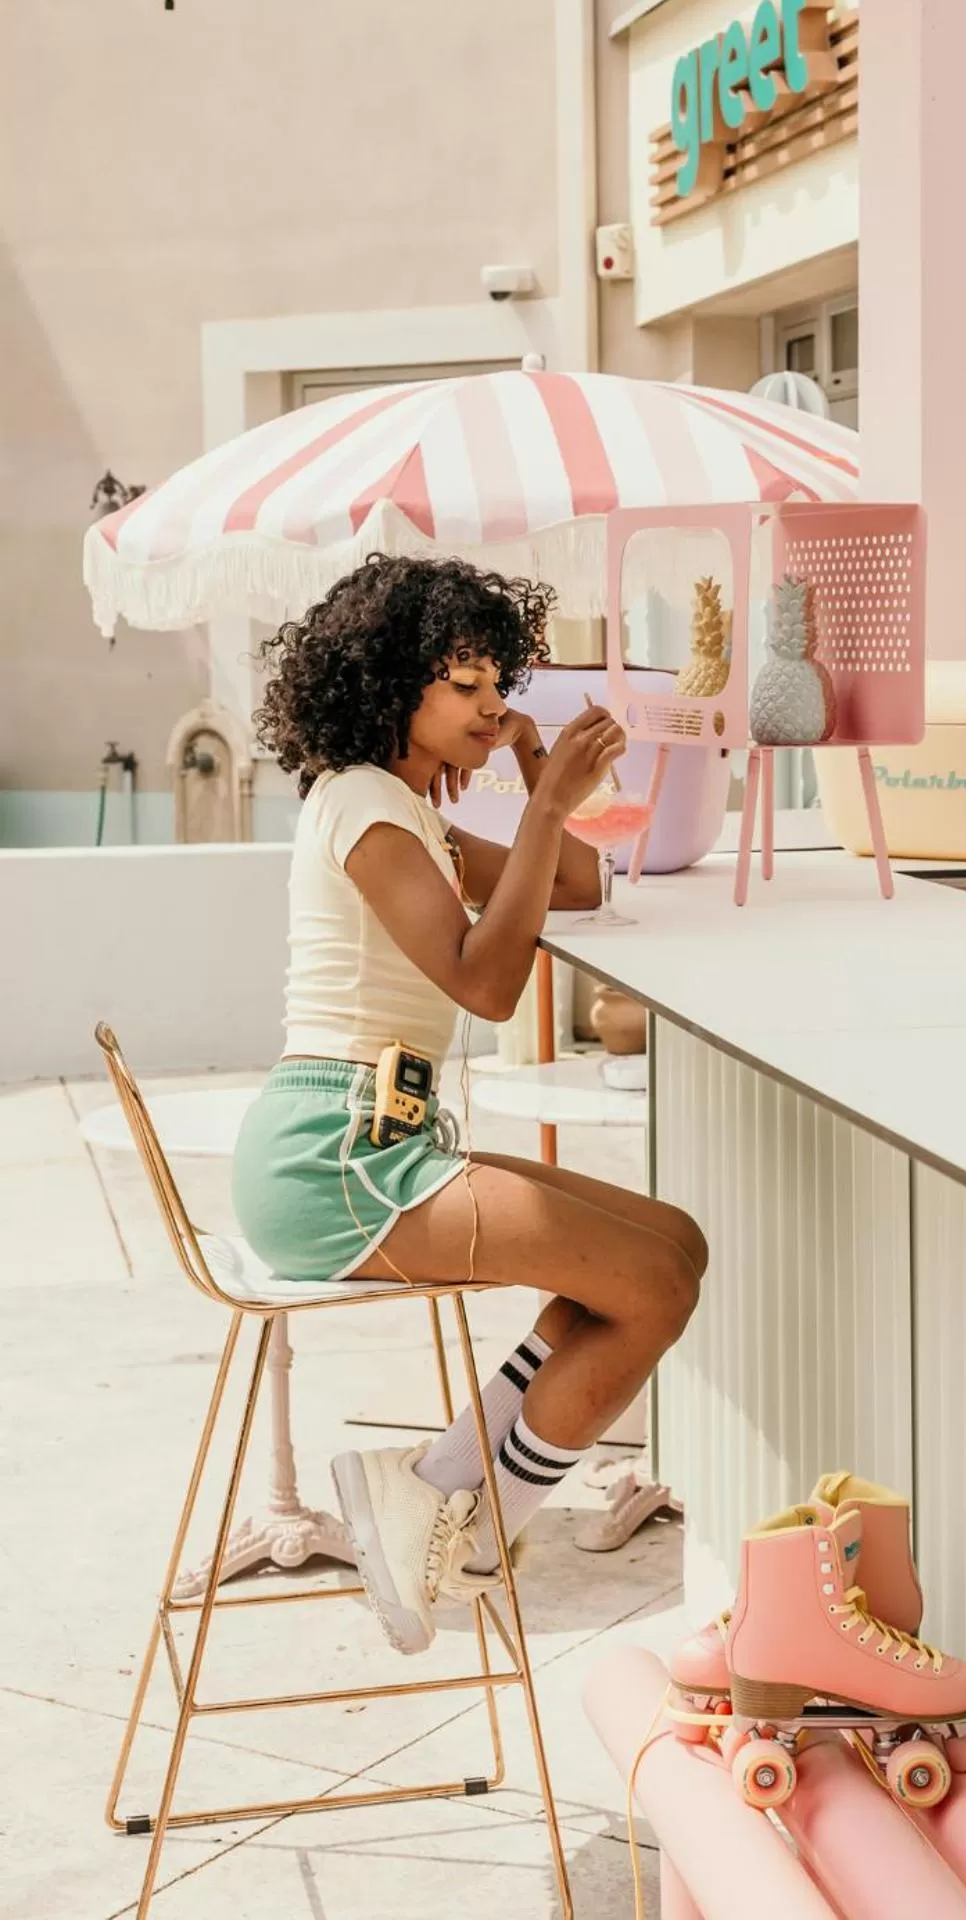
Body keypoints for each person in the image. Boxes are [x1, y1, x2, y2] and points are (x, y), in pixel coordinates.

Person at [231, 553, 706, 1655]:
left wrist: (540, 769)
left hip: (380, 1144)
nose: (495, 708)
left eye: (505, 686)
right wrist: (543, 801)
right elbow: (487, 983)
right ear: (392, 683)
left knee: (669, 1244)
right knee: (647, 1282)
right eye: (469, 686)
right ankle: (466, 1528)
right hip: (333, 1159)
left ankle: (436, 1488)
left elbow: (578, 885)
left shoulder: (416, 818)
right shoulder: (364, 808)